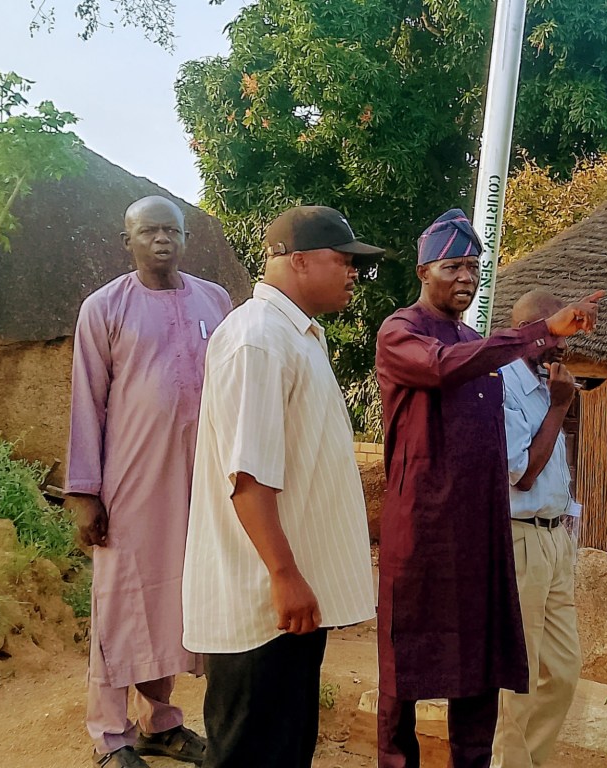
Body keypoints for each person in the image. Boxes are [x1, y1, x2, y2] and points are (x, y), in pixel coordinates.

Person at [374, 209, 603, 768]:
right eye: (452, 266)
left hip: (480, 534)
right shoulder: (401, 332)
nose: (466, 277)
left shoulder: (476, 342)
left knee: (480, 670)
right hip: (422, 534)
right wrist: (539, 333)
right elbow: (442, 367)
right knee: (405, 674)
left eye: (474, 267)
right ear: (424, 271)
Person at [181, 206, 381, 768]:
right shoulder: (258, 339)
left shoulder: (297, 336)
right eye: (343, 260)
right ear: (299, 261)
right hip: (260, 605)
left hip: (287, 605)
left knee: (286, 752)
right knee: (250, 756)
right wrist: (283, 575)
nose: (353, 273)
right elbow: (248, 476)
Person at [66, 195, 232, 768]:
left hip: (201, 481)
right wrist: (85, 492)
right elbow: (87, 402)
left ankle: (161, 723)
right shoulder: (103, 307)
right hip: (132, 481)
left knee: (176, 601)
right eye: (149, 231)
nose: (162, 240)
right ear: (128, 241)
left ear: (185, 238)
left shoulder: (215, 300)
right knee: (121, 602)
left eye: (172, 230)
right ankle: (110, 734)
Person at [491, 290, 582, 768]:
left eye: (563, 335)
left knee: (564, 670)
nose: (560, 344)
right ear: (524, 332)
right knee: (518, 676)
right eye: (551, 334)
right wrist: (560, 407)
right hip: (519, 537)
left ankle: (530, 761)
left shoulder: (551, 385)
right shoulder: (503, 386)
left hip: (554, 539)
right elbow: (522, 473)